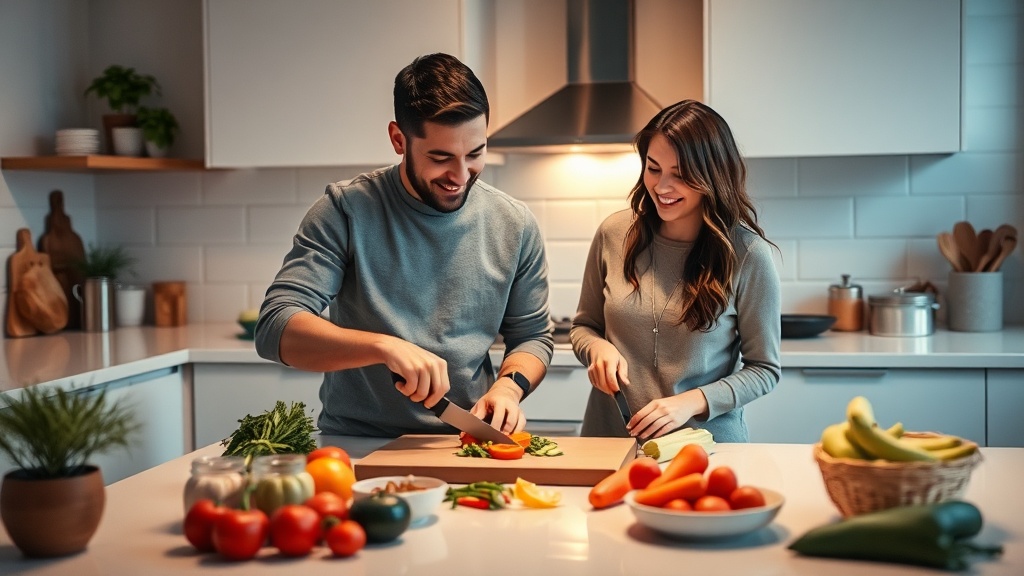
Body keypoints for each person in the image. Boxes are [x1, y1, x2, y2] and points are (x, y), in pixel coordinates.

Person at [255, 53, 553, 437]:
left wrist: (509, 388)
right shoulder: (345, 210)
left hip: (466, 442)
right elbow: (275, 327)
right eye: (441, 157)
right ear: (399, 139)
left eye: (475, 154)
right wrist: (383, 347)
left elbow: (532, 336)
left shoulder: (514, 223)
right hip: (356, 443)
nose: (460, 176)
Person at [570, 99, 781, 443]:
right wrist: (597, 349)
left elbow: (764, 370)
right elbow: (583, 327)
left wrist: (691, 402)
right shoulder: (614, 233)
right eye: (653, 169)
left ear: (712, 176)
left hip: (705, 448)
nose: (662, 187)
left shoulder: (748, 254)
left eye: (680, 175)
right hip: (608, 443)